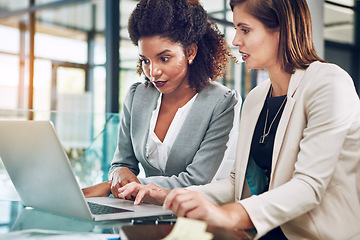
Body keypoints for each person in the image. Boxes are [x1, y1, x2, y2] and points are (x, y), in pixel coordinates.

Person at [116, 0, 360, 239]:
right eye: (236, 30)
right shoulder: (255, 99)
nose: (235, 41)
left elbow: (309, 186)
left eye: (245, 30)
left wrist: (228, 216)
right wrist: (164, 195)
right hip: (265, 233)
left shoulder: (328, 83)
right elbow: (236, 184)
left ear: (281, 29)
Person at [82, 0, 239, 199]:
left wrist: (118, 186)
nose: (153, 72)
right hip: (141, 213)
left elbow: (196, 180)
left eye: (164, 58)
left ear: (190, 52)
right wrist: (117, 173)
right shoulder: (137, 96)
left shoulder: (222, 102)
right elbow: (121, 163)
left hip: (192, 218)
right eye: (145, 61)